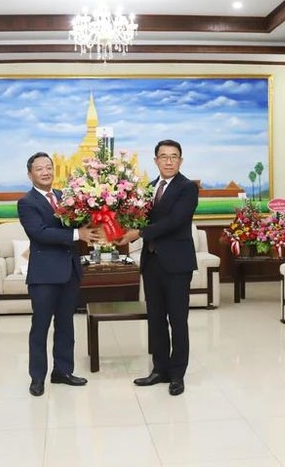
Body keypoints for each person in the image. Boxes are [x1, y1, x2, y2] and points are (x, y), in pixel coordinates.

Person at [118, 139, 198, 396]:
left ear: (180, 161)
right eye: (163, 156)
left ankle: (177, 375)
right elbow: (134, 216)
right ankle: (159, 369)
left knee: (178, 320)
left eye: (174, 156)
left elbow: (175, 221)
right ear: (155, 161)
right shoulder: (148, 189)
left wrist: (138, 232)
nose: (168, 161)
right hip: (152, 263)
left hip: (177, 265)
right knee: (156, 320)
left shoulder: (187, 188)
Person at [17, 152, 100, 397]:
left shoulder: (65, 197)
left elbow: (83, 222)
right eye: (39, 168)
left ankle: (62, 371)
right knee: (40, 327)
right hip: (43, 275)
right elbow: (39, 233)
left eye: (49, 167)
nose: (45, 172)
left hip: (70, 272)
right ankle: (37, 378)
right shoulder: (27, 202)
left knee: (66, 325)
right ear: (30, 174)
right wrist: (77, 235)